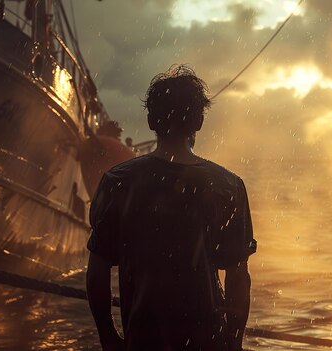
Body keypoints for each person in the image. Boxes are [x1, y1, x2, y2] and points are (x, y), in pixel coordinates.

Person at [86, 64, 256, 351]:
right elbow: (238, 275)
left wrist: (108, 336)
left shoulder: (118, 182)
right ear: (199, 121)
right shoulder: (228, 186)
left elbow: (98, 268)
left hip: (143, 341)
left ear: (151, 121)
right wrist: (234, 342)